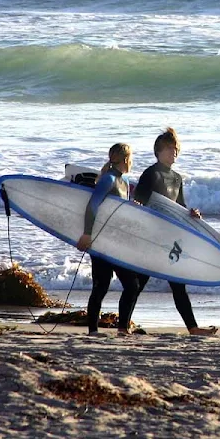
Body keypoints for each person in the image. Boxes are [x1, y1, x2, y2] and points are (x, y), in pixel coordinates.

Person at [128, 127, 218, 336]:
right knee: (138, 284)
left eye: (176, 149)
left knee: (177, 283)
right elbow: (137, 203)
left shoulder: (177, 178)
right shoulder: (151, 174)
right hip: (152, 237)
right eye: (170, 149)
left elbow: (179, 208)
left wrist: (192, 213)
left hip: (170, 238)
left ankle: (193, 328)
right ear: (158, 151)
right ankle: (123, 326)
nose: (174, 153)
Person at [76, 142, 143, 336]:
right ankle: (93, 331)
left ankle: (122, 328)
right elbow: (92, 205)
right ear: (125, 159)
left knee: (131, 285)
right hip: (101, 243)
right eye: (131, 158)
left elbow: (118, 211)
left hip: (116, 242)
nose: (132, 162)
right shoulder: (109, 179)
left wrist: (133, 206)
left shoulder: (124, 182)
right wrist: (87, 233)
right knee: (102, 285)